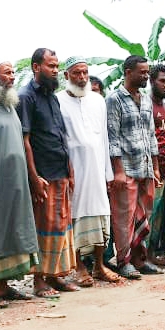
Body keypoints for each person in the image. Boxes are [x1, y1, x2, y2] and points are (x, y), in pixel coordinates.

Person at [0, 58, 41, 301]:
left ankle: (3, 285)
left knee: (13, 230)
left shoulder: (11, 106)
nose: (12, 77)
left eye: (13, 72)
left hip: (16, 182)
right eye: (7, 72)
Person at [18, 48, 79, 294]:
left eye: (56, 66)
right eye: (50, 66)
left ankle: (55, 275)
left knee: (60, 226)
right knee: (44, 226)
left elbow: (60, 135)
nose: (55, 71)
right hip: (43, 174)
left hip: (60, 170)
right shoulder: (26, 97)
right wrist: (34, 177)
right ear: (36, 67)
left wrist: (70, 169)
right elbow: (25, 140)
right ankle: (39, 280)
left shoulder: (53, 97)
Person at [57, 58, 120, 286]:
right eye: (76, 73)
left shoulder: (98, 100)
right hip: (74, 169)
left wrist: (108, 173)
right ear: (66, 76)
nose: (82, 77)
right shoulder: (58, 101)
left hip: (96, 168)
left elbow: (103, 136)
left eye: (85, 73)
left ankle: (99, 265)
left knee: (101, 213)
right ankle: (79, 266)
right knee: (75, 216)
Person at [105, 54, 162, 277]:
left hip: (145, 166)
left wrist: (155, 166)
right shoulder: (115, 99)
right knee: (124, 216)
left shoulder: (146, 99)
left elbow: (151, 135)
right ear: (128, 72)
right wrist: (118, 170)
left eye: (148, 72)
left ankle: (140, 259)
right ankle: (123, 261)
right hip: (126, 167)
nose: (146, 75)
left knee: (143, 214)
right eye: (142, 72)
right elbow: (113, 137)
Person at [145, 64, 165, 261]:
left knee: (157, 216)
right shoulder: (146, 104)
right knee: (147, 215)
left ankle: (151, 253)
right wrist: (155, 167)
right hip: (151, 169)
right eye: (162, 81)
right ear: (151, 80)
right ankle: (143, 257)